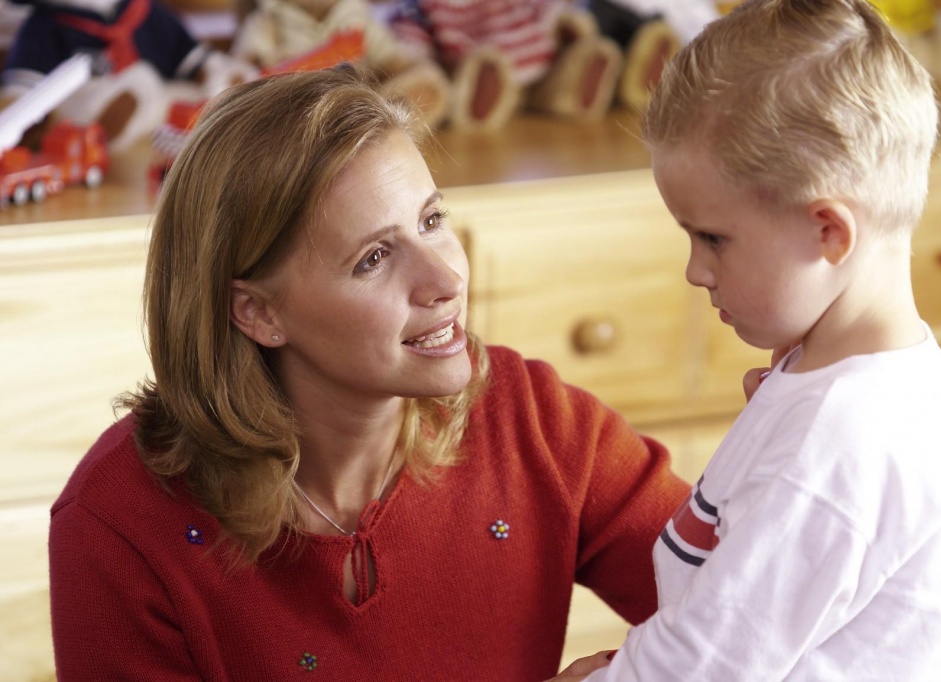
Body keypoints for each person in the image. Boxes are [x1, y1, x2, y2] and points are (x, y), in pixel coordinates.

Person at [47, 63, 691, 680]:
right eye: (374, 258)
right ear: (258, 312)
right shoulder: (117, 525)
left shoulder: (539, 425)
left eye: (432, 221)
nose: (445, 280)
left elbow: (750, 610)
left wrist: (790, 418)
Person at [553, 0, 941, 680]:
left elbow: (706, 665)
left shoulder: (844, 436)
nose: (695, 271)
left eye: (713, 238)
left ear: (829, 233)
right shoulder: (841, 389)